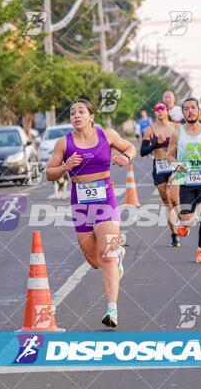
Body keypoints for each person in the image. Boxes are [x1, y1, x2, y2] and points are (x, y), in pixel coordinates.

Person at [46, 99, 136, 328]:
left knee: (107, 256)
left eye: (81, 112)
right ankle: (119, 256)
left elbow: (130, 148)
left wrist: (125, 158)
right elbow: (49, 174)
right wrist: (65, 167)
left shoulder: (107, 135)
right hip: (80, 205)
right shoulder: (63, 143)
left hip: (106, 200)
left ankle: (112, 310)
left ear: (91, 116)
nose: (76, 115)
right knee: (95, 262)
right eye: (73, 113)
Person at [166, 97, 201, 263]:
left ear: (199, 111)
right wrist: (176, 164)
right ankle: (183, 223)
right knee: (187, 220)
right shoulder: (177, 133)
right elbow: (169, 154)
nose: (190, 111)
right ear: (183, 112)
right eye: (186, 109)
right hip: (186, 181)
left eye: (193, 108)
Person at [140, 102, 181, 246]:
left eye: (161, 109)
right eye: (156, 109)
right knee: (167, 203)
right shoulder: (150, 130)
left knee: (174, 198)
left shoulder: (177, 127)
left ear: (167, 110)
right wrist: (157, 144)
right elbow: (143, 151)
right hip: (159, 167)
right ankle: (174, 234)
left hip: (174, 166)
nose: (159, 111)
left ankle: (181, 218)